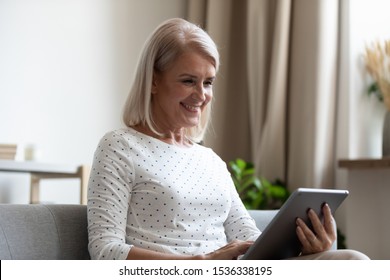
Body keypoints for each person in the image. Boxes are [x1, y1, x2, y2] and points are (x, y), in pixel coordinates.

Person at [87, 18, 369, 260]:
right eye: (188, 81)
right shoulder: (120, 146)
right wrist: (201, 264)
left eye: (208, 82)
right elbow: (105, 250)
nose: (202, 95)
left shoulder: (209, 160)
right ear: (153, 81)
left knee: (350, 260)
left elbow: (249, 238)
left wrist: (309, 250)